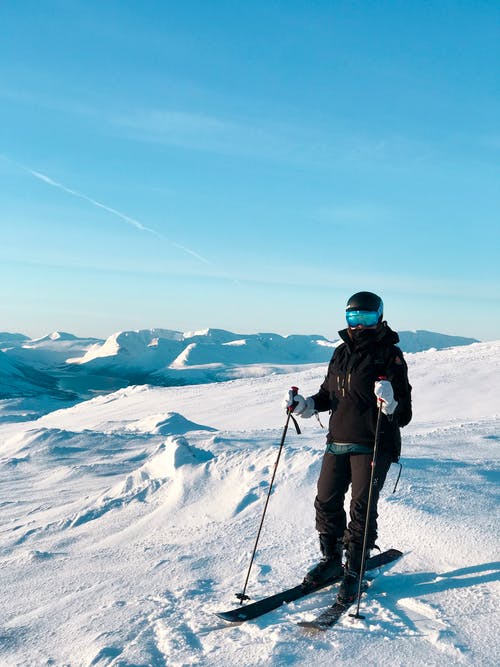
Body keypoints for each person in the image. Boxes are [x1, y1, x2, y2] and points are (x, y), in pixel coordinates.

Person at [283, 291, 412, 602]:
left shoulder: (390, 356)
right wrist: (307, 404)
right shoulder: (340, 352)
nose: (359, 324)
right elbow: (330, 394)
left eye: (366, 317)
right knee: (325, 500)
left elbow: (405, 413)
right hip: (337, 441)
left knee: (361, 508)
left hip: (373, 443)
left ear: (379, 317)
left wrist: (391, 402)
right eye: (353, 317)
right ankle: (330, 562)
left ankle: (354, 567)